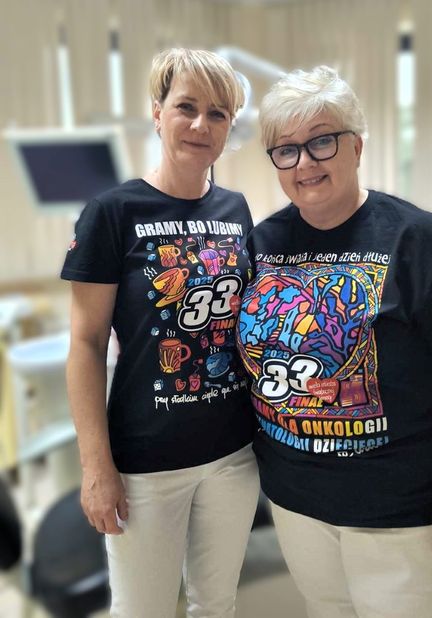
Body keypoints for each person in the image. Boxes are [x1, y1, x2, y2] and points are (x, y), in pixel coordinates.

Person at [235, 65, 432, 618]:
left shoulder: (425, 244)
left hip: (401, 515)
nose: (305, 162)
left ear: (356, 146)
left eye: (322, 141)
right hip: (297, 504)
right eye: (286, 150)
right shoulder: (262, 243)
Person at [62, 48, 259, 618]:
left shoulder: (236, 210)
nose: (201, 125)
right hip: (145, 462)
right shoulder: (112, 212)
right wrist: (96, 468)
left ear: (229, 128)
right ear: (157, 113)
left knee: (216, 604)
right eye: (186, 107)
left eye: (218, 113)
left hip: (233, 454)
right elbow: (85, 345)